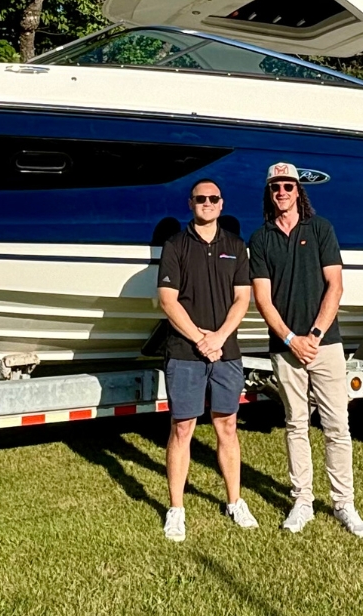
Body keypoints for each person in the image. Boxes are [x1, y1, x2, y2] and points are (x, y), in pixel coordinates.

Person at [249, 162, 363, 537]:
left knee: (337, 425)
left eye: (288, 186)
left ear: (299, 191)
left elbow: (335, 286)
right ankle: (302, 501)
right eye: (276, 187)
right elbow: (262, 300)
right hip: (285, 348)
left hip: (326, 344)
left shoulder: (321, 230)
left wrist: (314, 335)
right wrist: (291, 339)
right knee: (295, 424)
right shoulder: (261, 239)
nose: (282, 192)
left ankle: (344, 504)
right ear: (269, 193)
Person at [154, 178, 257, 542]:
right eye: (201, 199)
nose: (208, 203)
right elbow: (168, 301)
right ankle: (176, 509)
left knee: (227, 426)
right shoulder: (175, 245)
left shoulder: (235, 246)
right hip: (185, 352)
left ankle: (235, 501)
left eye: (214, 198)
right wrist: (200, 339)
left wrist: (219, 338)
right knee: (182, 429)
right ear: (191, 203)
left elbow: (242, 299)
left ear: (222, 202)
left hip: (226, 351)